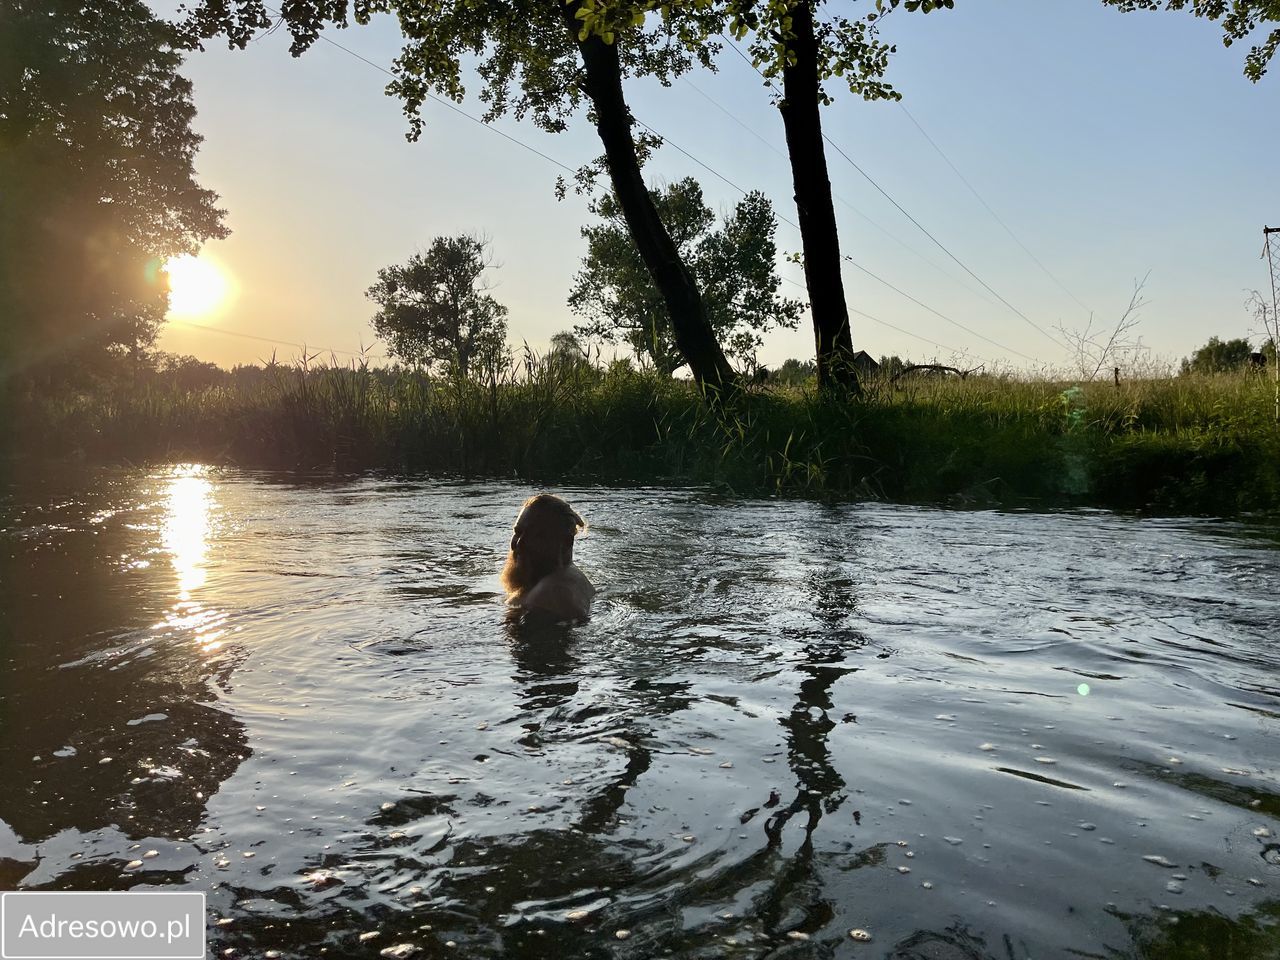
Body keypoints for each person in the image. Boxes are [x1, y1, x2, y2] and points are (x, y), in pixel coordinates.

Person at [500, 494, 594, 622]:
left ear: (566, 542)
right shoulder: (574, 578)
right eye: (518, 532)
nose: (519, 543)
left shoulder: (547, 595)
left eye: (536, 535)